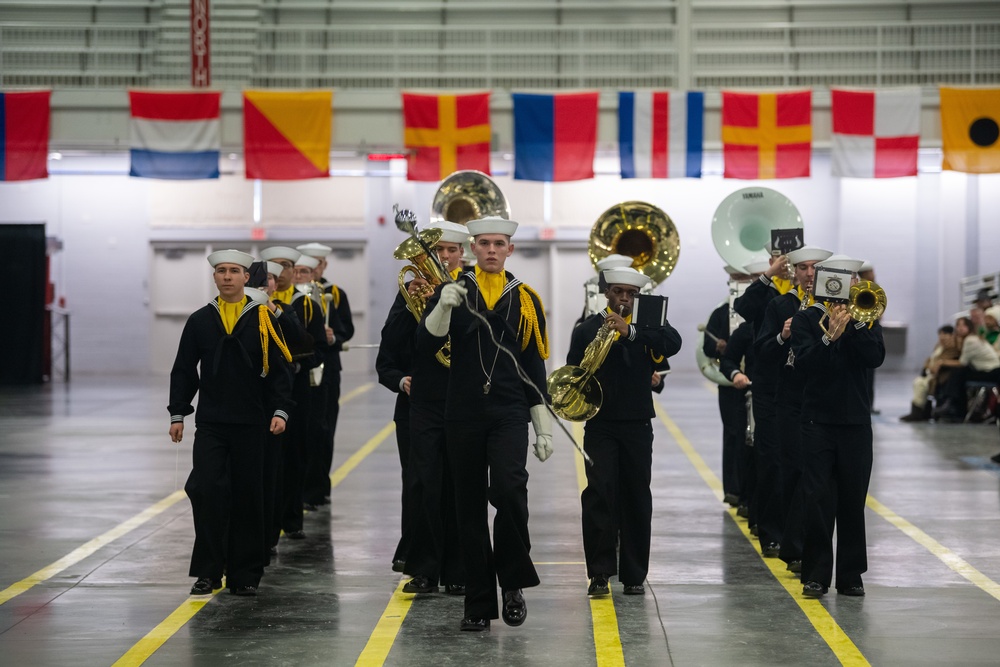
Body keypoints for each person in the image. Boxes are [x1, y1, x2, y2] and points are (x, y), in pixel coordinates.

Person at [416, 216, 551, 632]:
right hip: (463, 413)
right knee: (468, 506)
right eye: (484, 243)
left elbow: (534, 366)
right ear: (472, 248)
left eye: (500, 243)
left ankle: (512, 583)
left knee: (510, 491)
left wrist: (542, 426)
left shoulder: (526, 298)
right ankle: (477, 602)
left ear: (511, 249)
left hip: (510, 410)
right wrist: (442, 304)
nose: (492, 250)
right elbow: (428, 342)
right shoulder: (451, 290)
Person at [168, 249, 293, 596]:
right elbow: (183, 369)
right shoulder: (199, 320)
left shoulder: (264, 318)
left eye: (234, 271)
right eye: (221, 271)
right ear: (214, 278)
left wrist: (280, 411)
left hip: (252, 424)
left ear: (245, 278)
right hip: (211, 424)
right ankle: (208, 572)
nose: (227, 276)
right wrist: (178, 413)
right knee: (207, 492)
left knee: (248, 497)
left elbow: (281, 372)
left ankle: (245, 574)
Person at [570, 266, 682, 597]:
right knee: (599, 494)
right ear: (607, 293)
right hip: (600, 424)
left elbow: (673, 343)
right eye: (618, 291)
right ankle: (600, 573)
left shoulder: (648, 328)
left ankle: (634, 574)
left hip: (636, 424)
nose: (624, 298)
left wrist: (630, 332)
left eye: (631, 294)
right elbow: (574, 369)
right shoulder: (588, 328)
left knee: (636, 495)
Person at [377, 220, 469, 594]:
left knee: (461, 487)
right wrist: (402, 380)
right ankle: (423, 568)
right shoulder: (410, 293)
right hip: (417, 407)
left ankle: (459, 570)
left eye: (450, 250)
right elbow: (388, 358)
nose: (443, 257)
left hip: (463, 404)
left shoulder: (473, 289)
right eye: (437, 251)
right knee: (420, 486)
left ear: (462, 254)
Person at [790, 254, 885, 598]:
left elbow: (875, 358)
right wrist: (829, 336)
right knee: (816, 499)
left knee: (852, 501)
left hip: (855, 422)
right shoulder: (804, 320)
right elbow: (805, 366)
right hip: (817, 421)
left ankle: (851, 575)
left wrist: (855, 322)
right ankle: (815, 574)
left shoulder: (866, 319)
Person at [752, 246, 832, 561]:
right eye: (804, 268)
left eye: (815, 268)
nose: (810, 274)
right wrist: (783, 337)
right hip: (785, 398)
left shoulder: (832, 307)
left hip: (820, 399)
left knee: (815, 476)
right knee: (787, 468)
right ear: (794, 273)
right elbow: (761, 351)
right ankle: (784, 538)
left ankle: (803, 542)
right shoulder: (779, 305)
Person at [297, 242, 354, 508]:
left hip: (328, 369)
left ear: (323, 266)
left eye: (317, 264)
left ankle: (318, 488)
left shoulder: (335, 294)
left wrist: (333, 337)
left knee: (323, 428)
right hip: (301, 370)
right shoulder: (295, 297)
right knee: (302, 429)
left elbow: (347, 329)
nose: (313, 269)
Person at [703, 264, 753, 507]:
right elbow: (706, 346)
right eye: (738, 278)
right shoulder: (721, 312)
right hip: (730, 385)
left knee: (754, 439)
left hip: (754, 381)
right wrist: (719, 347)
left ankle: (750, 493)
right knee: (734, 435)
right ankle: (734, 490)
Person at [933, 316, 1000, 422]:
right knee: (959, 372)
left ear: (969, 327)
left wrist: (942, 362)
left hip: (991, 372)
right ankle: (951, 404)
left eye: (963, 325)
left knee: (958, 372)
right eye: (958, 325)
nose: (960, 328)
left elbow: (962, 362)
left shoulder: (970, 340)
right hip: (990, 371)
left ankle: (951, 403)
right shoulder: (972, 338)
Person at [899, 324, 960, 422]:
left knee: (921, 384)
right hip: (931, 371)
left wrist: (935, 365)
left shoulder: (952, 348)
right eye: (940, 334)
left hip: (940, 374)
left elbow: (941, 361)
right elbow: (930, 359)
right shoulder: (939, 346)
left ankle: (918, 412)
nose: (942, 337)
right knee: (918, 382)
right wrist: (929, 366)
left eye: (945, 334)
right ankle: (919, 410)